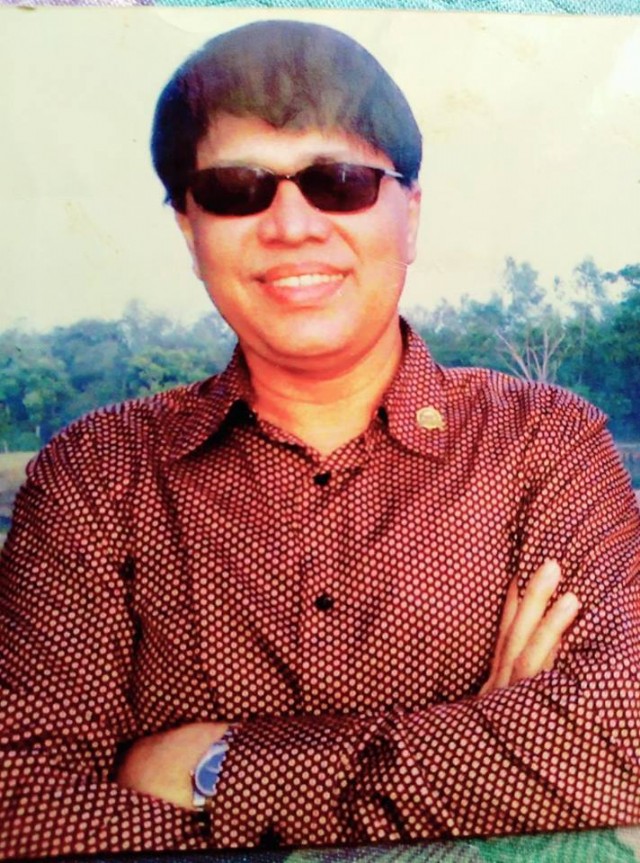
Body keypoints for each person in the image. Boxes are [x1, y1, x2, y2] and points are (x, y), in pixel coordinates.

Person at [1, 18, 639, 860]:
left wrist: (214, 768)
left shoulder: (542, 443)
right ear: (190, 229)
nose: (291, 224)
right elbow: (22, 804)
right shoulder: (97, 474)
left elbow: (623, 736)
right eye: (236, 188)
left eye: (340, 182)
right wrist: (492, 746)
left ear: (410, 216)